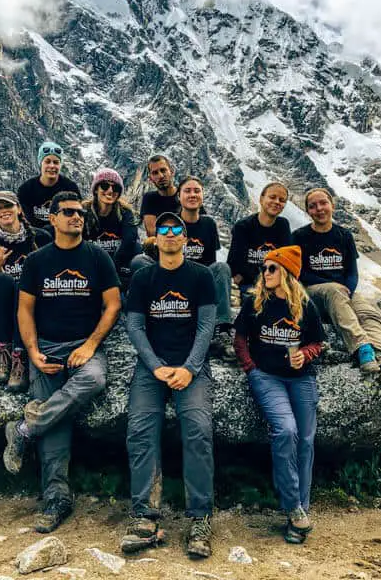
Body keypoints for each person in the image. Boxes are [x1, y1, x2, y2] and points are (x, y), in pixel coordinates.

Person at [2, 191, 121, 533]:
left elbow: (112, 305)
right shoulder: (38, 261)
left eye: (80, 213)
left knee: (94, 379)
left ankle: (24, 430)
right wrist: (34, 351)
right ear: (51, 218)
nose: (76, 217)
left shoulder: (97, 257)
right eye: (68, 212)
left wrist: (90, 345)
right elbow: (24, 309)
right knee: (57, 427)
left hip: (85, 349)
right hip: (48, 350)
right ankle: (56, 498)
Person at [121, 212, 217, 559]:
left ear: (186, 238)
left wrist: (190, 368)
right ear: (155, 238)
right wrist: (157, 366)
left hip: (191, 368)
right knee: (141, 429)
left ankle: (200, 518)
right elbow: (134, 327)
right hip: (152, 369)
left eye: (177, 229)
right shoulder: (143, 277)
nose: (171, 233)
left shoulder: (202, 276)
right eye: (164, 229)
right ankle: (144, 515)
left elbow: (207, 327)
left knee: (198, 429)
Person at [233, 245, 324, 544]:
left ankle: (298, 516)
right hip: (267, 377)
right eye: (264, 268)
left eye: (272, 268)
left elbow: (316, 343)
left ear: (287, 273)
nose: (265, 273)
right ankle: (294, 508)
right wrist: (251, 368)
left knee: (306, 441)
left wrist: (305, 356)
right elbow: (241, 338)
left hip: (300, 380)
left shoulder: (305, 306)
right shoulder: (255, 303)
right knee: (286, 431)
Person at [293, 187, 381, 384]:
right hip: (311, 294)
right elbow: (298, 273)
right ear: (308, 211)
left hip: (341, 293)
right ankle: (362, 349)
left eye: (323, 203)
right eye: (313, 206)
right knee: (334, 290)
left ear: (332, 205)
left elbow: (351, 272)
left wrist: (348, 289)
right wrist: (332, 285)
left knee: (368, 312)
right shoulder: (299, 236)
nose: (319, 208)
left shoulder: (343, 235)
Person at [0, 191, 52, 392]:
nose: (3, 211)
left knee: (24, 288)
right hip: (7, 308)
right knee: (3, 280)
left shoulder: (42, 237)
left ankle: (19, 354)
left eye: (8, 206)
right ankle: (3, 349)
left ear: (18, 209)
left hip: (37, 304)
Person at [177, 175, 233, 339]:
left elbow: (211, 262)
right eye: (187, 191)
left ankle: (222, 326)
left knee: (222, 268)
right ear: (179, 196)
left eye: (197, 191)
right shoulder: (172, 223)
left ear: (203, 195)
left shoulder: (208, 223)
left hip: (201, 278)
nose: (192, 195)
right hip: (177, 278)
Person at [227, 182, 292, 300]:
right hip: (251, 285)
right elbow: (235, 264)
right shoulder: (243, 226)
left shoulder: (283, 225)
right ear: (261, 199)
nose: (277, 202)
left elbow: (287, 261)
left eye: (282, 200)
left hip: (276, 284)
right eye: (272, 197)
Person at [82, 168, 140, 292]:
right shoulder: (83, 212)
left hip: (118, 264)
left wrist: (111, 267)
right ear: (96, 189)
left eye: (116, 188)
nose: (110, 191)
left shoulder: (125, 212)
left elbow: (130, 240)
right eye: (104, 186)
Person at [17, 141, 82, 230]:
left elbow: (77, 216)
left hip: (64, 237)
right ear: (41, 163)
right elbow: (22, 221)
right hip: (34, 238)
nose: (52, 166)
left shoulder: (70, 188)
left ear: (60, 165)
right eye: (47, 162)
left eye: (56, 162)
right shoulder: (26, 189)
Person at [139, 154, 179, 236]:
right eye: (155, 173)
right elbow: (152, 233)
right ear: (151, 178)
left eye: (163, 170)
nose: (160, 176)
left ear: (171, 172)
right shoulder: (149, 199)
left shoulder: (185, 195)